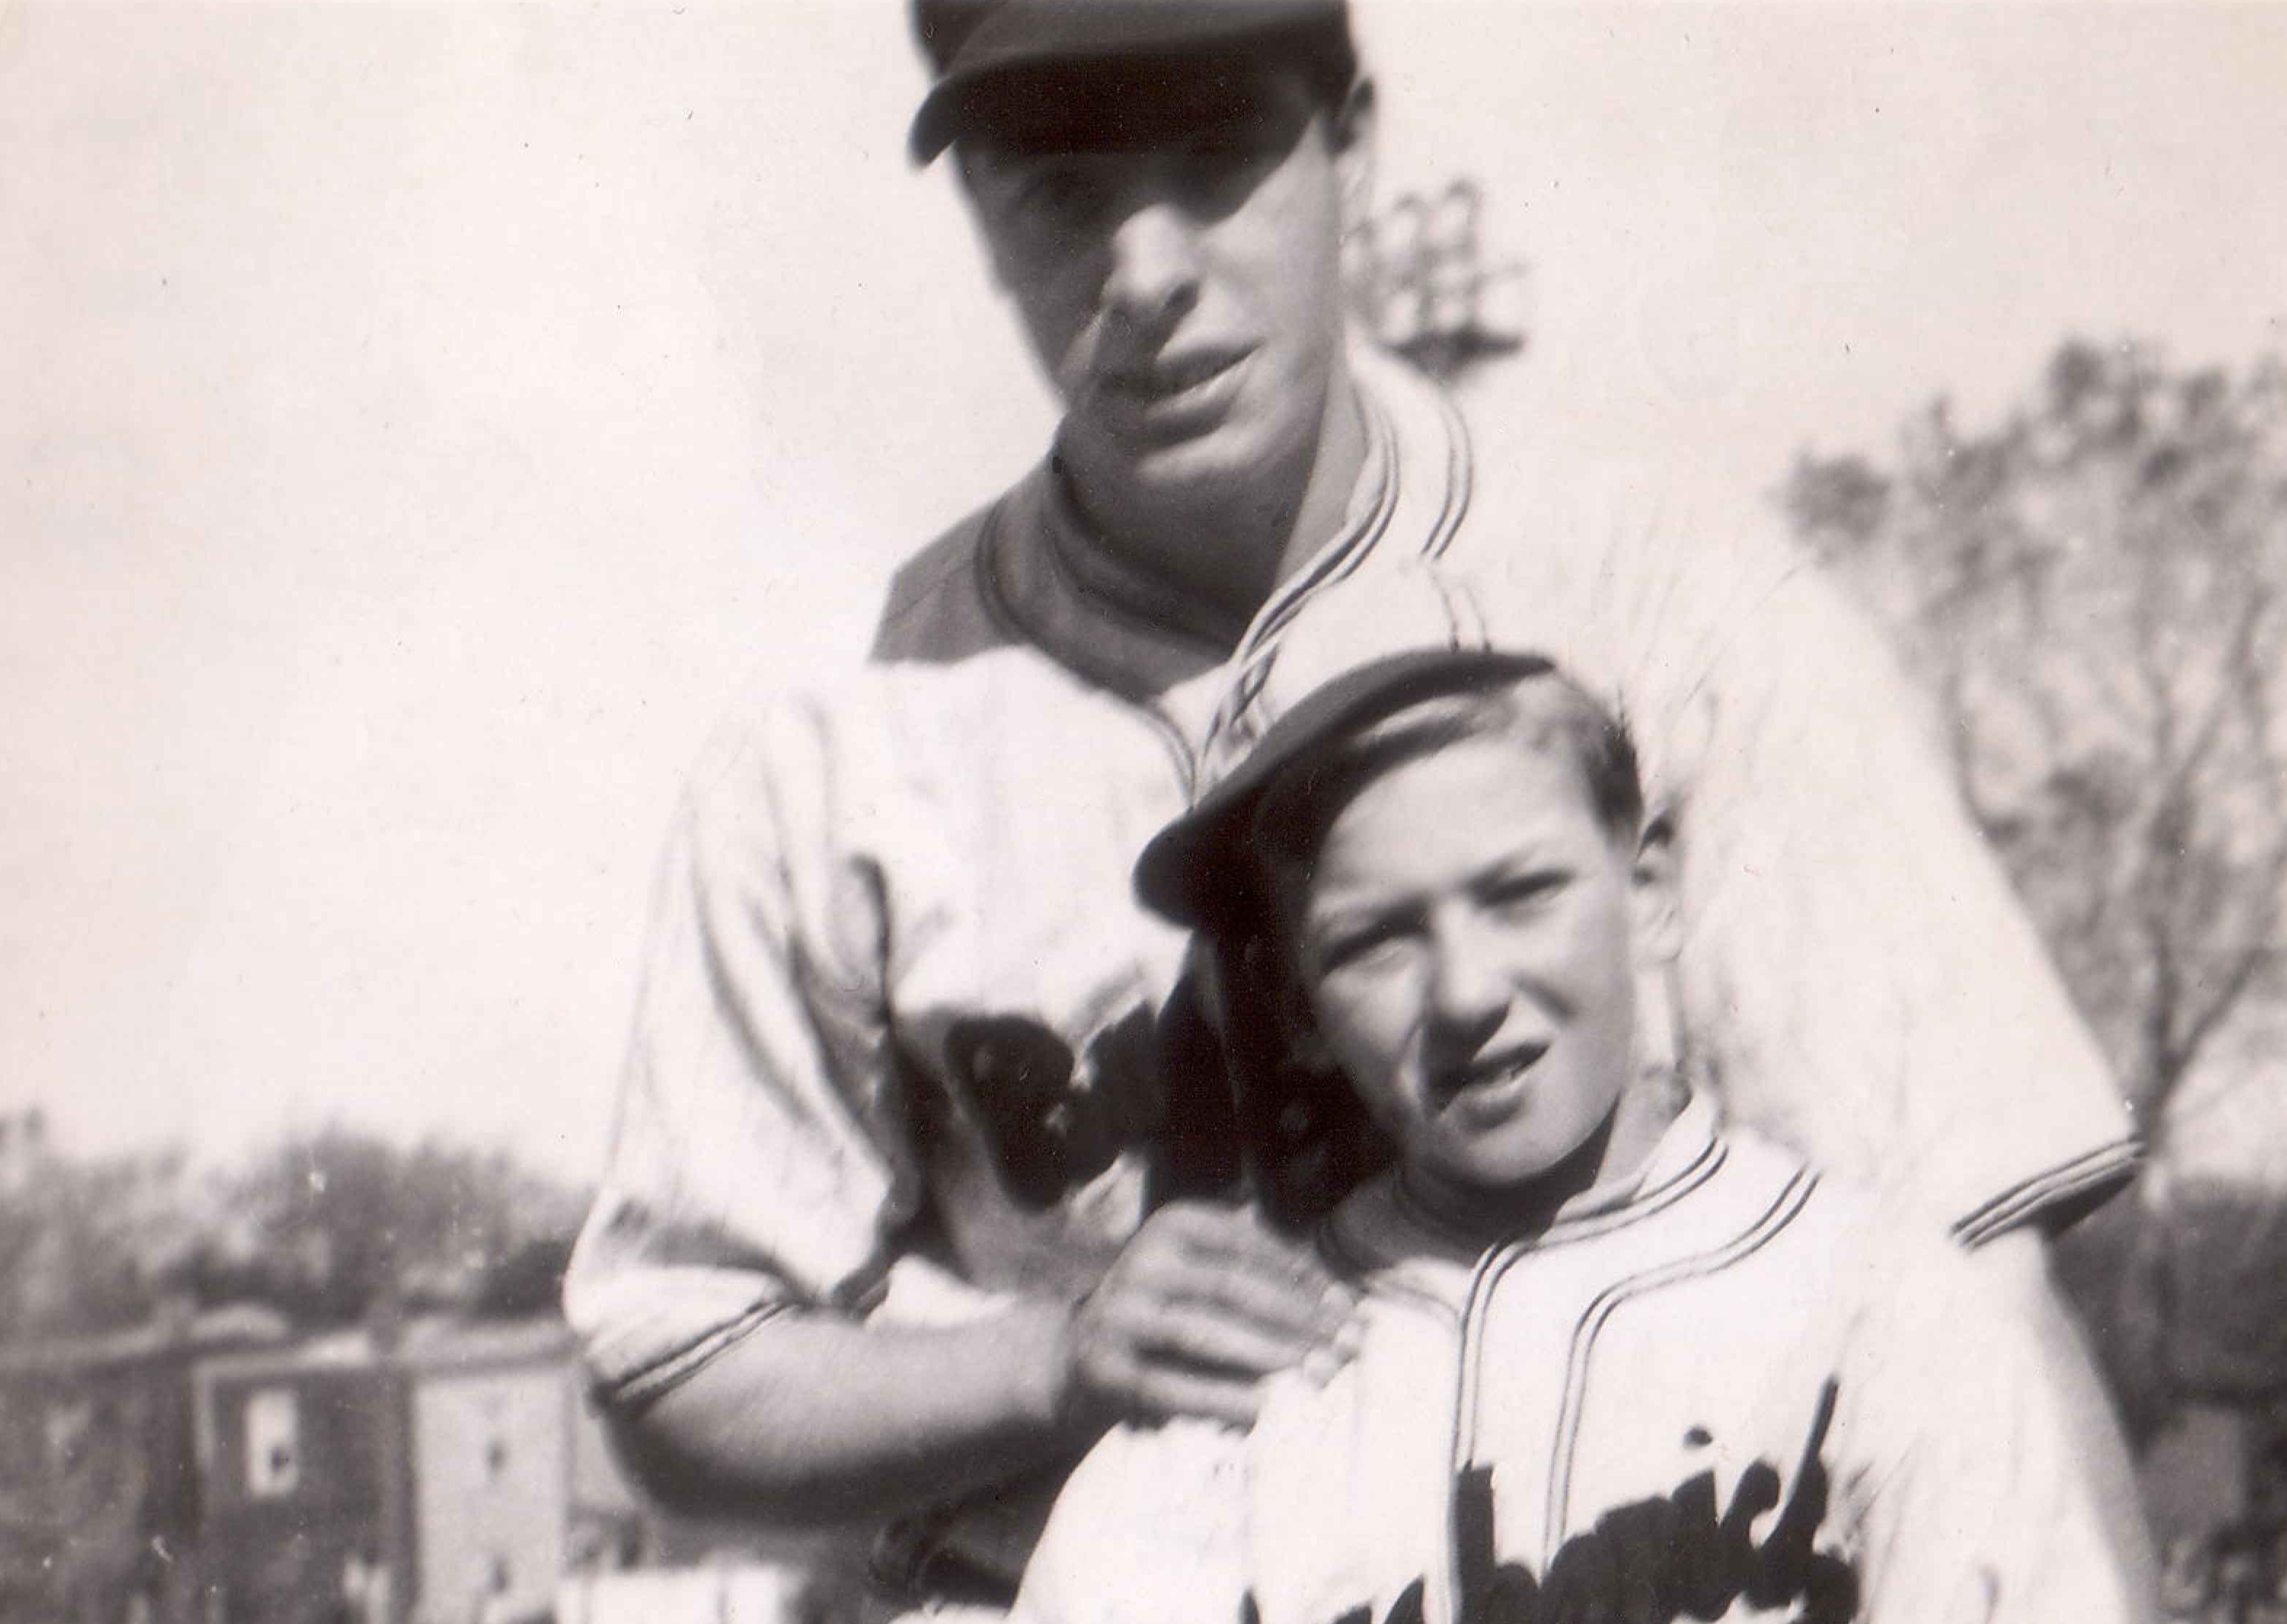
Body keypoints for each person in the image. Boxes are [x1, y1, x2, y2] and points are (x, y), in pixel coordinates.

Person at [563, 0, 2139, 1606]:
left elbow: (1974, 1289)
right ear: (976, 213)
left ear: (1351, 148)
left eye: (1218, 155)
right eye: (1059, 189)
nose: (1147, 272)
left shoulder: (1671, 602)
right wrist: (1050, 1362)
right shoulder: (842, 746)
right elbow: (673, 1365)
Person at [1015, 605, 2149, 1624]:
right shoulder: (1246, 1390)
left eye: (1521, 894)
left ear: (1647, 890)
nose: (1465, 992)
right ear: (1292, 1005)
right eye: (1373, 940)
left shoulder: (1875, 1304)